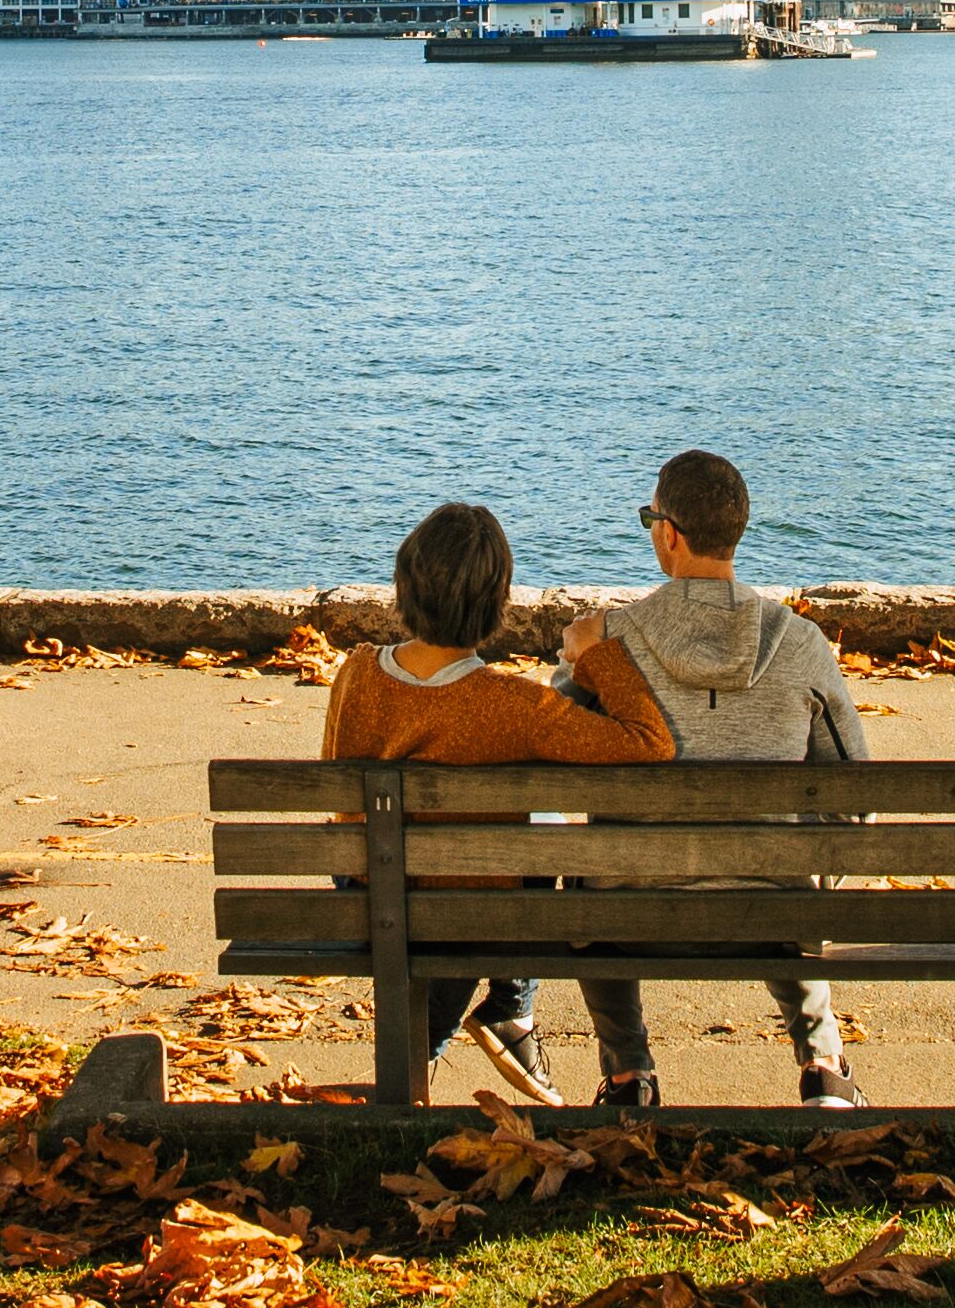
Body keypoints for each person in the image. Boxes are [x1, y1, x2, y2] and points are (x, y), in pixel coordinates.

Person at [317, 499, 676, 1105]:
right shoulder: (514, 705)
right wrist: (597, 655)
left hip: (367, 894)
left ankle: (445, 1053)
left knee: (454, 875)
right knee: (533, 850)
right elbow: (649, 742)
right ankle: (502, 1013)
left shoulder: (354, 673)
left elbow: (338, 788)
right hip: (467, 913)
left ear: (404, 585)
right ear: (497, 604)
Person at [573, 448, 869, 1108]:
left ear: (669, 534)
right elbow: (857, 790)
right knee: (790, 858)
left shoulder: (609, 641)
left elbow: (555, 752)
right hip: (772, 907)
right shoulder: (801, 643)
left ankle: (628, 1074)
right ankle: (822, 1063)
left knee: (588, 867)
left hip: (629, 909)